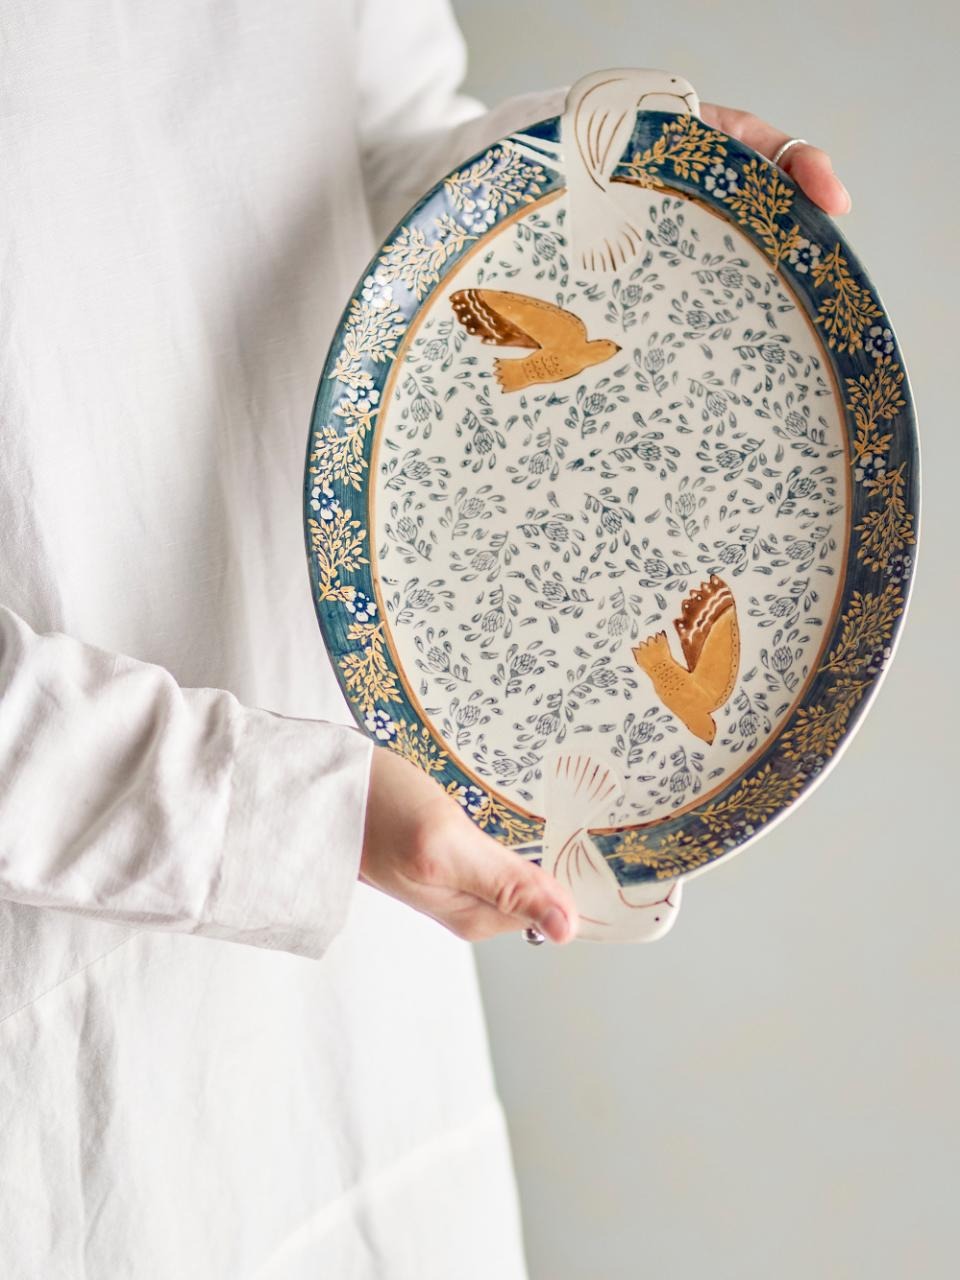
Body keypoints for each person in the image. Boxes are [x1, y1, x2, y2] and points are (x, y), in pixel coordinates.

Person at [0, 1, 851, 1274]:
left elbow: (363, 155)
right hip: (62, 1024)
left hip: (349, 948)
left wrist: (596, 178)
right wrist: (294, 814)